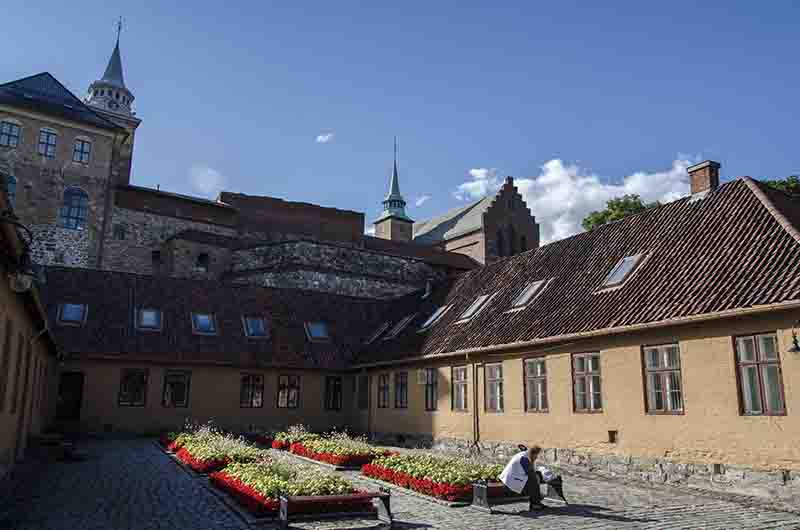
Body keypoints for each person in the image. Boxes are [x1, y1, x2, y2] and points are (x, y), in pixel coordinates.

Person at [499, 444, 546, 511]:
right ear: (534, 453)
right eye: (537, 455)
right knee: (534, 480)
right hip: (510, 482)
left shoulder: (524, 454)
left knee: (535, 479)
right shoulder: (524, 458)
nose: (537, 457)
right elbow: (530, 473)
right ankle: (535, 504)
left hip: (511, 479)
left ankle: (536, 502)